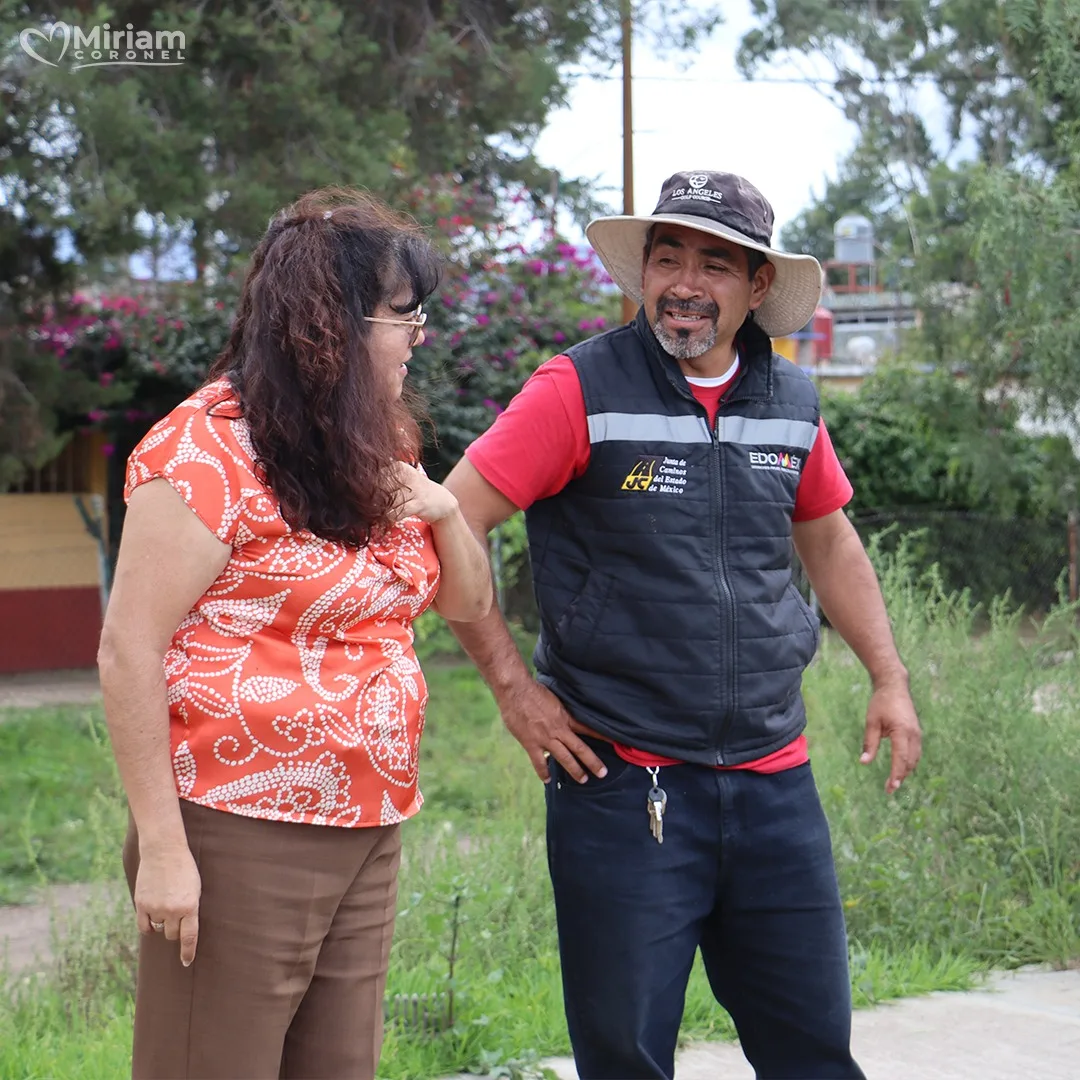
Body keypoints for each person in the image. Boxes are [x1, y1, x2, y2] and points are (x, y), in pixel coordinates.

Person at [442, 170, 922, 1080]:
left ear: (756, 289)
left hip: (776, 784)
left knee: (814, 1051)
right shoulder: (575, 389)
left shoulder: (790, 402)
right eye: (667, 258)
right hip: (625, 786)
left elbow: (829, 543)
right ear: (642, 277)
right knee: (626, 1059)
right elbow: (450, 522)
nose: (685, 281)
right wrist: (514, 690)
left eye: (714, 262)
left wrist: (888, 678)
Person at [97, 187, 492, 1080]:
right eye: (404, 318)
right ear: (333, 326)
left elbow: (465, 605)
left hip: (367, 822)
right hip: (238, 829)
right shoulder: (204, 451)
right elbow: (127, 651)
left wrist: (443, 512)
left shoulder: (375, 443)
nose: (417, 338)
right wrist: (164, 849)